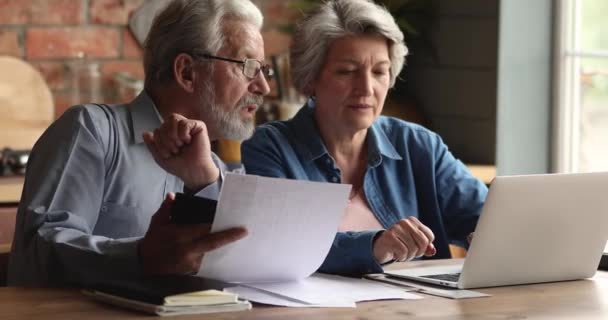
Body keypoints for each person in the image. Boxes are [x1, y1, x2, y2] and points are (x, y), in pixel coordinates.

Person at [8, 0, 271, 286]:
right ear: (186, 72)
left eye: (264, 70)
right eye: (248, 66)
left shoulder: (217, 170)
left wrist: (205, 182)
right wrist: (139, 257)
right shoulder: (92, 132)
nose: (264, 87)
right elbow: (37, 253)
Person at [241, 0, 488, 276]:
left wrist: (496, 234)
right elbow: (280, 244)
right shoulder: (269, 148)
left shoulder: (419, 146)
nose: (366, 88)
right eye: (347, 71)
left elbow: (489, 217)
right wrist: (375, 246)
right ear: (310, 78)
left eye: (380, 72)